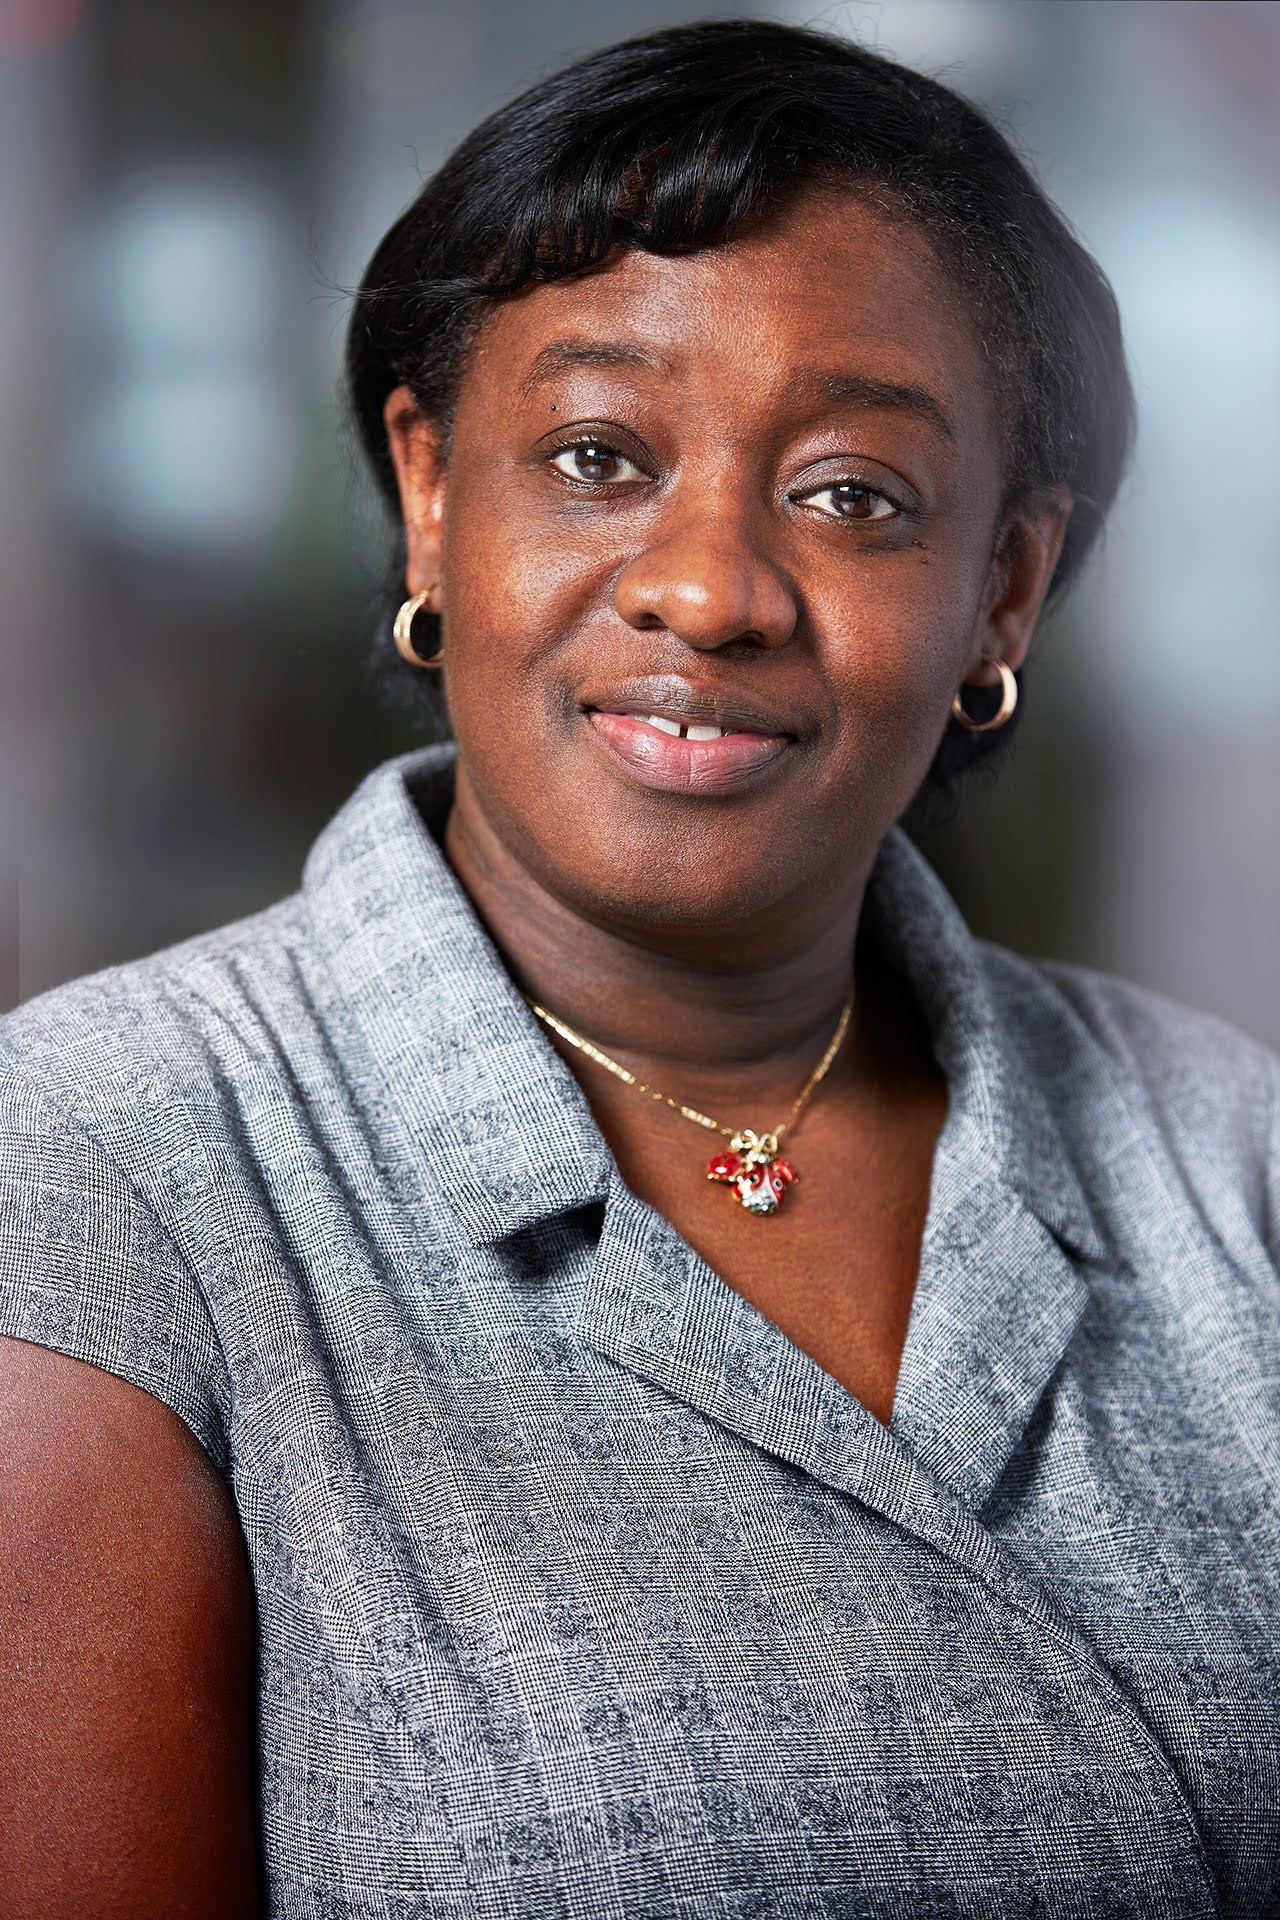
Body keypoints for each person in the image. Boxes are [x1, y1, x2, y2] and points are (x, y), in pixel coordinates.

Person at [1, 19, 1276, 1919]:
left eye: (853, 494)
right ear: (434, 494)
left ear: (1003, 589)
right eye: (598, 457)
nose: (710, 588)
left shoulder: (1229, 1145)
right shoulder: (97, 1160)